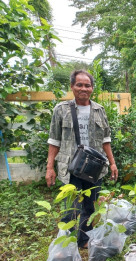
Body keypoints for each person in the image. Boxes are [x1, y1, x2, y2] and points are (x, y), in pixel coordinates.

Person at [45, 70, 118, 248]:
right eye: (79, 84)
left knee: (90, 206)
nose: (83, 88)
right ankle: (66, 244)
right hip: (71, 167)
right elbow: (54, 140)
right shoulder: (61, 110)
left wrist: (113, 162)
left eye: (87, 85)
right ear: (72, 86)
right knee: (71, 207)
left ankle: (84, 240)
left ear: (92, 88)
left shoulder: (99, 110)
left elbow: (106, 139)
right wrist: (50, 167)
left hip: (94, 167)